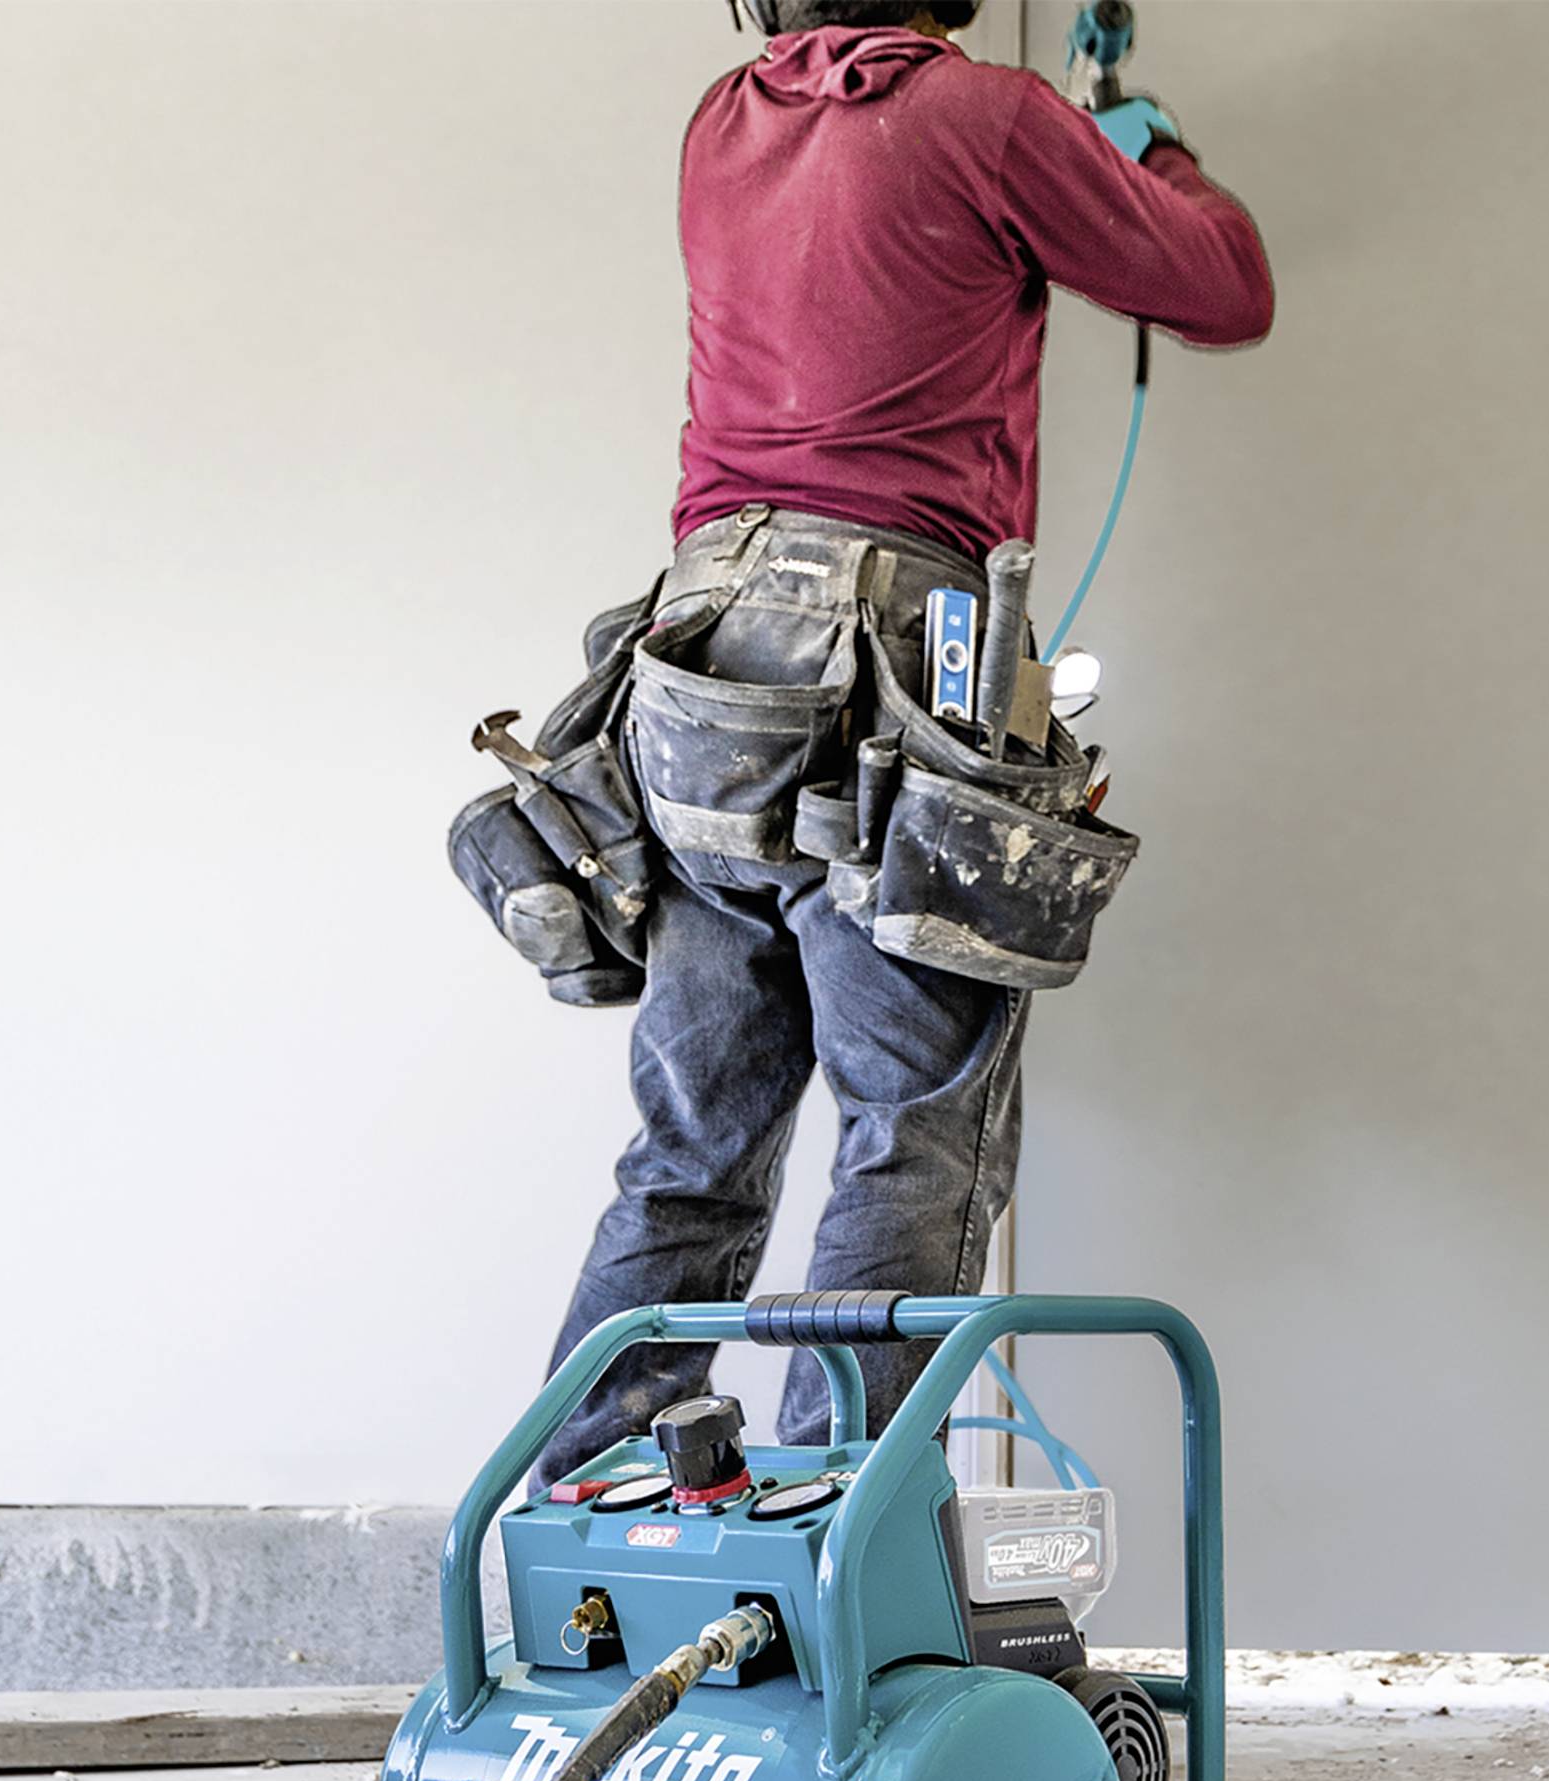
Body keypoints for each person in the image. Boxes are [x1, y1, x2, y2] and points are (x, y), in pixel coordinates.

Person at [538, 0, 1272, 1481]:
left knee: (689, 1155)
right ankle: (840, 1546)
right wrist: (1149, 153)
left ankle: (585, 1532)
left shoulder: (723, 118)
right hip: (893, 658)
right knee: (909, 1131)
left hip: (699, 668)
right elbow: (1222, 285)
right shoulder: (989, 119)